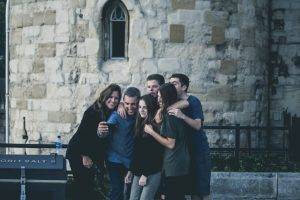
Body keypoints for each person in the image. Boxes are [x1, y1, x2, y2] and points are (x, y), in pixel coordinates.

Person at [66, 84, 121, 200]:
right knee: (83, 186)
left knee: (91, 187)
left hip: (94, 154)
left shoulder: (111, 113)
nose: (113, 100)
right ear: (105, 96)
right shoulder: (93, 111)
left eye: (116, 98)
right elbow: (82, 135)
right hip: (79, 153)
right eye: (111, 97)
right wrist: (84, 156)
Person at [144, 83, 190, 200]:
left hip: (174, 163)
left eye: (161, 96)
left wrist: (151, 132)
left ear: (167, 97)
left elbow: (171, 143)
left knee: (173, 196)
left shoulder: (170, 116)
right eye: (158, 96)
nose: (158, 99)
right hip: (174, 162)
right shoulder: (169, 113)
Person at [169, 74, 211, 200]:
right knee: (191, 189)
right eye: (170, 83)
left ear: (184, 86)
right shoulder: (173, 102)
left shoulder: (193, 101)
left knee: (202, 190)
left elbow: (198, 125)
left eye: (175, 83)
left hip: (198, 150)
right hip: (183, 153)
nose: (171, 86)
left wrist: (182, 116)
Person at [98, 87, 141, 200]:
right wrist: (101, 131)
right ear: (123, 101)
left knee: (130, 193)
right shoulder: (117, 115)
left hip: (132, 161)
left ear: (138, 102)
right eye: (126, 103)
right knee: (117, 191)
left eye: (133, 104)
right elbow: (106, 129)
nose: (130, 107)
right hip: (114, 159)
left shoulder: (141, 115)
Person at [126, 94, 163, 200]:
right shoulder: (139, 124)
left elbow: (155, 153)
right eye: (140, 107)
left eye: (145, 107)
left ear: (151, 108)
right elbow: (137, 152)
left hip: (152, 170)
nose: (141, 110)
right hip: (138, 171)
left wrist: (145, 175)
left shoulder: (153, 126)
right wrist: (130, 171)